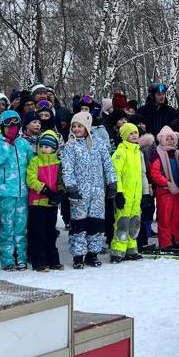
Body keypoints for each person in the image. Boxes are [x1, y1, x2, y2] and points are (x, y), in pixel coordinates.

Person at [62, 111, 117, 269]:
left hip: (97, 191)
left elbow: (108, 164)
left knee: (96, 223)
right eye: (74, 126)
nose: (77, 129)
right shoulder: (70, 146)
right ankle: (78, 255)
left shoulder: (98, 144)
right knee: (79, 224)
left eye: (80, 126)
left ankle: (93, 254)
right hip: (79, 192)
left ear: (87, 126)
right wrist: (71, 186)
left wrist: (112, 182)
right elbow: (67, 168)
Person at [0, 109, 34, 270]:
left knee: (21, 227)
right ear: (2, 127)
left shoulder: (24, 143)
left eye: (15, 125)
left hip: (22, 191)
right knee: (7, 226)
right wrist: (7, 143)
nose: (12, 128)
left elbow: (31, 164)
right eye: (8, 126)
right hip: (6, 192)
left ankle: (21, 257)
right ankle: (8, 259)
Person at [108, 122, 147, 263]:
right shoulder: (120, 152)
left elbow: (142, 174)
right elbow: (115, 173)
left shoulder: (138, 152)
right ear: (124, 135)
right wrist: (118, 192)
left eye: (136, 132)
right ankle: (118, 250)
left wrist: (146, 193)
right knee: (122, 221)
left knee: (134, 221)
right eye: (131, 133)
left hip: (136, 195)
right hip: (125, 194)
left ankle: (131, 248)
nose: (134, 135)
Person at [25, 130, 64, 271]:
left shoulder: (58, 163)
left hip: (51, 204)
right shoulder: (35, 161)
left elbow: (60, 180)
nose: (43, 149)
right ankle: (39, 261)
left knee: (50, 232)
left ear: (54, 148)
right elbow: (30, 179)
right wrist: (45, 189)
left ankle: (53, 259)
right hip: (37, 203)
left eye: (47, 147)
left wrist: (59, 192)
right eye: (41, 146)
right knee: (38, 233)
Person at [149, 125, 179, 251]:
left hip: (177, 191)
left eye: (172, 139)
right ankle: (165, 243)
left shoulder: (177, 153)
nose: (170, 141)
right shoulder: (157, 154)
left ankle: (175, 240)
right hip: (164, 191)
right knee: (165, 219)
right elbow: (155, 173)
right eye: (167, 139)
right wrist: (167, 183)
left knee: (176, 218)